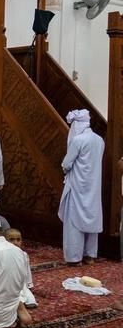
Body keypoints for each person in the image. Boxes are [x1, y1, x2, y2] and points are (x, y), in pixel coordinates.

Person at [58, 109, 105, 265]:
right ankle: (90, 255)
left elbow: (67, 163)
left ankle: (74, 257)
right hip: (93, 185)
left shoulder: (78, 140)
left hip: (77, 186)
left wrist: (65, 169)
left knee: (74, 221)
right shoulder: (99, 140)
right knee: (91, 216)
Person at [5, 229, 37, 308]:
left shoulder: (24, 254)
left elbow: (27, 270)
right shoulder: (3, 255)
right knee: (14, 298)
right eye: (11, 240)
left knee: (31, 300)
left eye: (18, 240)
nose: (15, 242)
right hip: (7, 284)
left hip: (22, 284)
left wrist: (29, 284)